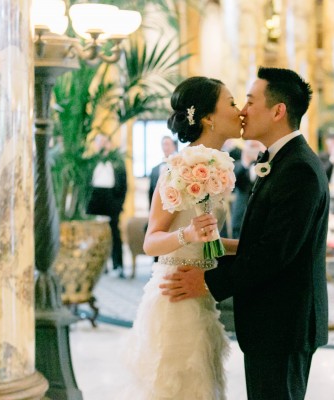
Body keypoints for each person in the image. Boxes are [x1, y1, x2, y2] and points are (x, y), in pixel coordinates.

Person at [161, 67, 330, 400]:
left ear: (278, 111)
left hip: (284, 323)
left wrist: (207, 281)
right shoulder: (280, 160)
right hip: (273, 321)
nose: (243, 111)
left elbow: (275, 253)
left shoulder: (298, 169)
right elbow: (270, 239)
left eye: (250, 101)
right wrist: (220, 246)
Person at [120, 76, 242, 399]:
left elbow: (209, 242)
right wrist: (186, 233)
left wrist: (245, 247)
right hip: (174, 294)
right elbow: (151, 241)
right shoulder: (176, 170)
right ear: (208, 118)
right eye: (231, 103)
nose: (239, 110)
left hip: (201, 293)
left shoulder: (221, 167)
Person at [86, 133, 127, 277]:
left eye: (105, 141)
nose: (102, 144)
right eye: (99, 142)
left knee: (114, 234)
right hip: (94, 201)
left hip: (112, 200)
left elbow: (123, 185)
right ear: (96, 144)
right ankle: (97, 266)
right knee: (94, 235)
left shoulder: (118, 162)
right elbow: (85, 184)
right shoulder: (90, 162)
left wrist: (118, 204)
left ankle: (118, 265)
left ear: (109, 144)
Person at [231, 139, 264, 238]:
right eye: (251, 147)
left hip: (261, 220)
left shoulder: (268, 166)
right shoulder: (237, 166)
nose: (253, 150)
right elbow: (234, 183)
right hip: (240, 219)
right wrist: (245, 162)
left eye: (256, 146)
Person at [148, 135, 178, 208]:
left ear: (174, 147)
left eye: (168, 144)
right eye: (164, 144)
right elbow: (150, 192)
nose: (166, 147)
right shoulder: (154, 169)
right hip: (158, 207)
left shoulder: (178, 167)